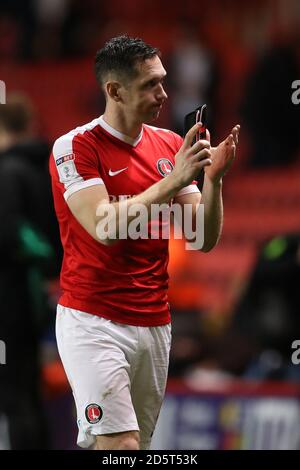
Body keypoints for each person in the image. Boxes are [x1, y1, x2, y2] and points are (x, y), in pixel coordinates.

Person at [49, 35, 240, 451]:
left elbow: (201, 237)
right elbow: (103, 225)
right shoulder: (75, 146)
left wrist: (212, 180)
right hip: (94, 320)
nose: (163, 94)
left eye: (163, 81)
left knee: (129, 449)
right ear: (114, 90)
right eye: (150, 84)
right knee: (121, 444)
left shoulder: (171, 145)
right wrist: (172, 180)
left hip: (155, 323)